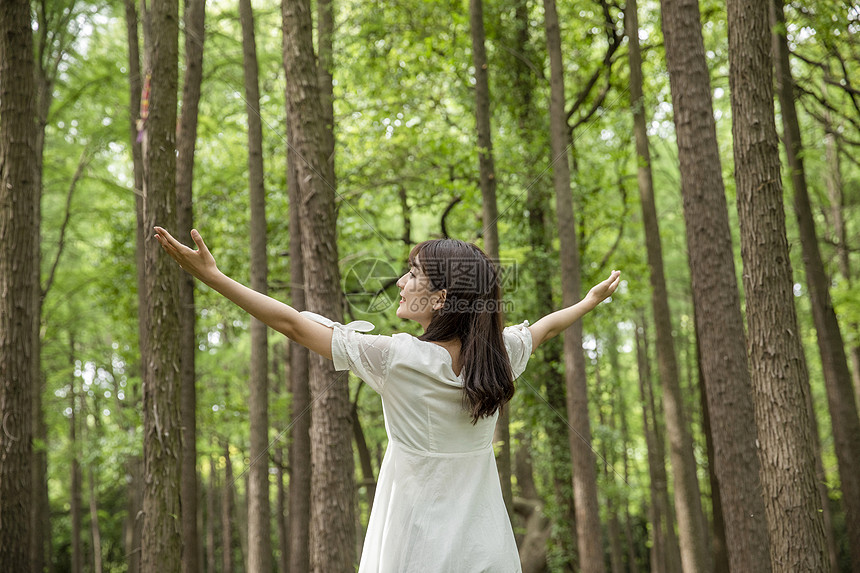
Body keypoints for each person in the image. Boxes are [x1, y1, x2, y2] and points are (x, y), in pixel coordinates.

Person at [153, 227, 621, 572]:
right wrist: (589, 301)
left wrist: (213, 277)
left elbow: (293, 324)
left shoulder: (397, 358)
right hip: (485, 543)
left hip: (412, 542)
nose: (400, 282)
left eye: (412, 274)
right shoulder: (501, 356)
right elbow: (547, 325)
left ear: (440, 298)